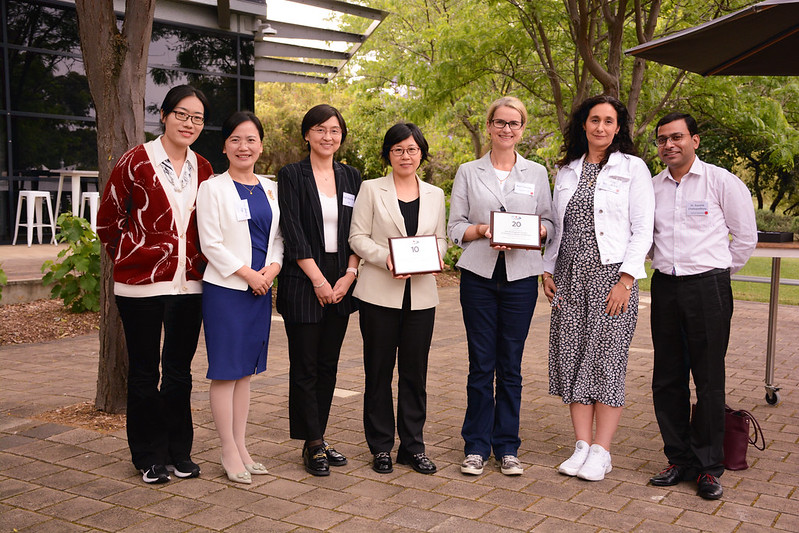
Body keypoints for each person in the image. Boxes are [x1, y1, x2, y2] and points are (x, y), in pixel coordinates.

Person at [96, 85, 213, 484]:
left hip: (191, 287)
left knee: (179, 372)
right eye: (182, 114)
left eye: (197, 118)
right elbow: (108, 222)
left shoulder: (205, 167)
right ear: (163, 114)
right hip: (139, 288)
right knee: (145, 372)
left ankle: (179, 452)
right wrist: (132, 259)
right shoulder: (136, 160)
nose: (189, 123)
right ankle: (147, 456)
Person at [542, 95, 654, 482]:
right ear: (584, 125)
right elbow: (559, 227)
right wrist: (548, 269)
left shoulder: (633, 168)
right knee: (572, 357)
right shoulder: (567, 170)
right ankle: (582, 446)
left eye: (609, 121)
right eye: (594, 120)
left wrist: (627, 279)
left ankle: (602, 450)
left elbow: (643, 228)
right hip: (569, 277)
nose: (601, 127)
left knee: (606, 361)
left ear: (618, 127)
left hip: (612, 278)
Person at [648, 112, 757, 500]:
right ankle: (678, 458)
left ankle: (708, 467)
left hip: (708, 287)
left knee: (709, 379)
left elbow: (745, 237)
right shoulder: (652, 186)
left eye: (677, 137)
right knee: (667, 377)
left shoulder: (721, 181)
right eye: (662, 140)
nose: (669, 145)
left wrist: (717, 273)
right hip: (665, 288)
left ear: (695, 139)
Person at [448, 97, 554, 476]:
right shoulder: (468, 171)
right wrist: (482, 231)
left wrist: (538, 231)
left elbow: (551, 225)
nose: (507, 129)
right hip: (478, 276)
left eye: (515, 123)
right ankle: (476, 445)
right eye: (500, 122)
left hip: (521, 278)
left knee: (511, 365)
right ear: (489, 125)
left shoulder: (537, 173)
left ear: (522, 129)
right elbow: (455, 227)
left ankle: (507, 445)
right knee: (481, 365)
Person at [349, 122, 447, 475]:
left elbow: (440, 240)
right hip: (379, 295)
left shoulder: (435, 194)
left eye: (412, 149)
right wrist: (385, 258)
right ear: (388, 154)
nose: (406, 156)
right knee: (378, 373)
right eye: (398, 150)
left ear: (421, 152)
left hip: (421, 297)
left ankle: (413, 446)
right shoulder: (371, 189)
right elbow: (357, 237)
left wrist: (434, 258)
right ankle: (380, 447)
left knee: (415, 374)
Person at [196, 111, 283, 485]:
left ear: (260, 145)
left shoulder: (271, 187)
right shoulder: (212, 187)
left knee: (246, 372)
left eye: (250, 140)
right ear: (224, 146)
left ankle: (242, 446)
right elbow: (210, 243)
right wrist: (248, 274)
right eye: (235, 139)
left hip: (260, 290)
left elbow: (279, 236)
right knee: (226, 372)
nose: (243, 146)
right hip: (227, 290)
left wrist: (271, 270)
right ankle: (227, 450)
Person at [277, 105, 361, 476]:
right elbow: (292, 232)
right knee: (305, 366)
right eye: (320, 129)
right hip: (303, 279)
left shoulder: (352, 177)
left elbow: (360, 228)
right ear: (307, 134)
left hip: (342, 280)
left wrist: (349, 274)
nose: (328, 136)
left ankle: (319, 434)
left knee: (328, 366)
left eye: (335, 130)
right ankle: (311, 444)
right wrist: (318, 280)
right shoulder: (292, 175)